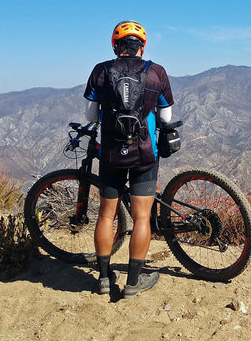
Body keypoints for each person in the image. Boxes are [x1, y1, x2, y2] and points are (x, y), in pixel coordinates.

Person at [83, 20, 175, 298]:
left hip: (111, 154)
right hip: (144, 154)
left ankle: (102, 278)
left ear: (115, 45)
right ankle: (133, 282)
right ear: (142, 47)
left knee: (106, 214)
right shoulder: (156, 72)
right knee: (142, 217)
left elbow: (90, 115)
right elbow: (167, 117)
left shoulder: (100, 71)